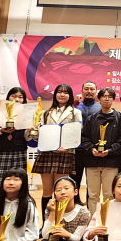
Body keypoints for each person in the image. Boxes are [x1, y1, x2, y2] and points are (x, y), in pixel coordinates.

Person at [29, 84, 81, 214]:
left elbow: (77, 132)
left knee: (61, 191)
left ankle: (59, 220)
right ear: (55, 94)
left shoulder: (75, 112)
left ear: (70, 96)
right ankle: (46, 221)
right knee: (47, 191)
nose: (62, 95)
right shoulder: (46, 113)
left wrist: (67, 146)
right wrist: (35, 132)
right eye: (59, 92)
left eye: (65, 92)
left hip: (65, 153)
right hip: (47, 153)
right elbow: (41, 133)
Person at [81, 87, 121, 214]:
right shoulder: (91, 118)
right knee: (92, 195)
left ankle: (109, 222)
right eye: (104, 96)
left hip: (111, 162)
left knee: (109, 194)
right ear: (99, 99)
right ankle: (93, 222)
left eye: (110, 97)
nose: (107, 99)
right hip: (92, 162)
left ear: (113, 99)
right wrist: (91, 149)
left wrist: (110, 151)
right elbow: (84, 137)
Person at [0, 87, 29, 199]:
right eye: (13, 96)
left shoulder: (27, 116)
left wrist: (31, 131)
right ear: (8, 98)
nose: (17, 99)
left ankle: (14, 209)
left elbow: (27, 138)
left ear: (24, 100)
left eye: (20, 97)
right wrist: (0, 130)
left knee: (17, 188)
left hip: (19, 153)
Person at [72, 81, 99, 198]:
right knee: (74, 179)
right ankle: (75, 202)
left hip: (93, 150)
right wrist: (74, 103)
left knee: (92, 181)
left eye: (92, 89)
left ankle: (90, 204)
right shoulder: (75, 106)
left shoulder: (100, 107)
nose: (89, 91)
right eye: (86, 89)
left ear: (96, 92)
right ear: (82, 91)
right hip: (76, 149)